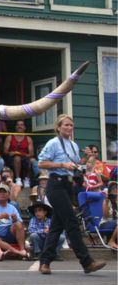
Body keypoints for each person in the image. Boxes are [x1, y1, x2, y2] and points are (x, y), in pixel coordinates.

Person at [37, 114, 106, 275]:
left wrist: (86, 159)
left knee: (56, 226)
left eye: (71, 125)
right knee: (72, 222)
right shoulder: (53, 143)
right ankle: (86, 261)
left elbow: (75, 165)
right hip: (56, 184)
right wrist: (61, 164)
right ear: (58, 127)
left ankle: (44, 262)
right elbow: (41, 162)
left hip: (68, 185)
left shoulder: (74, 145)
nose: (69, 128)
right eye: (66, 125)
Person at [0, 184, 29, 259]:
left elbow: (21, 224)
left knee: (19, 224)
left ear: (8, 195)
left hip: (9, 231)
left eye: (4, 192)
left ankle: (22, 249)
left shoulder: (12, 207)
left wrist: (15, 219)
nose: (2, 194)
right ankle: (18, 252)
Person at [3, 120, 35, 188]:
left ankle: (26, 179)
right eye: (18, 125)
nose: (19, 126)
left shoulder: (28, 139)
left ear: (25, 128)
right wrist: (10, 152)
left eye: (21, 125)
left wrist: (22, 154)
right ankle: (18, 179)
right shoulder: (10, 137)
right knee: (17, 158)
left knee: (31, 160)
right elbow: (5, 151)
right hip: (12, 159)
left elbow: (31, 153)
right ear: (15, 127)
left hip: (25, 157)